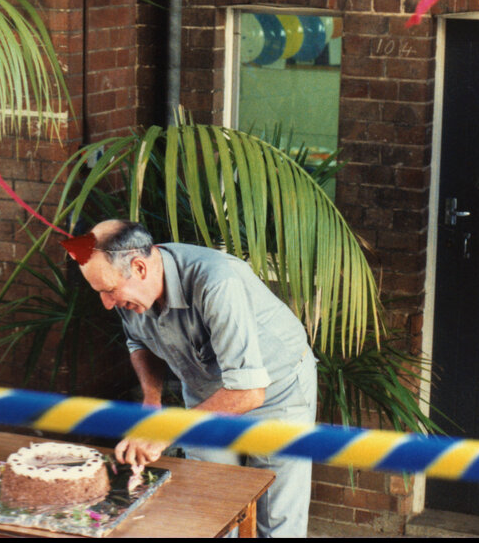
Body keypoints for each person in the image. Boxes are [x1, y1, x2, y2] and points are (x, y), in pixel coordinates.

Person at [70, 219, 317, 538]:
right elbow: (139, 342)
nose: (107, 303)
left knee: (276, 521)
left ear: (140, 268)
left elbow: (249, 392)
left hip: (275, 391)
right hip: (205, 391)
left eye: (109, 291)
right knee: (209, 506)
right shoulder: (127, 290)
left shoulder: (217, 280)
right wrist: (152, 400)